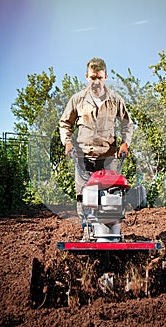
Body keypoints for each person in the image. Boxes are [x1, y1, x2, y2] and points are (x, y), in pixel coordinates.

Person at [59, 58, 133, 239]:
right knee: (83, 196)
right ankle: (87, 231)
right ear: (86, 77)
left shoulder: (115, 100)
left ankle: (113, 231)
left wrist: (125, 143)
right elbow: (65, 123)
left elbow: (127, 124)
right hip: (83, 156)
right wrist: (67, 142)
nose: (96, 81)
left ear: (106, 76)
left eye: (99, 77)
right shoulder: (77, 100)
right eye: (93, 77)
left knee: (113, 195)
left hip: (108, 157)